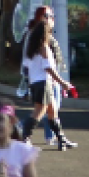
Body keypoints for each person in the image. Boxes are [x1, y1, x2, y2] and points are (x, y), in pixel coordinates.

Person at [19, 18, 76, 149]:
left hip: (35, 83)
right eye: (50, 30)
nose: (51, 33)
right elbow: (48, 68)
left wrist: (29, 83)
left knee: (52, 111)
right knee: (39, 111)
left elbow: (26, 66)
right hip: (44, 83)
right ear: (45, 33)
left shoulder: (31, 49)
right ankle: (25, 137)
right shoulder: (44, 48)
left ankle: (62, 140)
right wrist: (63, 83)